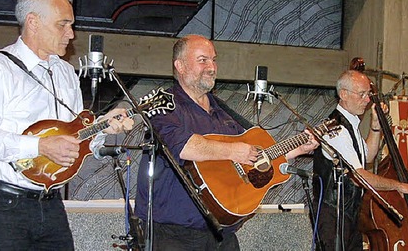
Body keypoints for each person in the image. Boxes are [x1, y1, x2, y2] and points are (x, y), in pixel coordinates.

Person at [0, 0, 133, 250]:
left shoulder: (66, 72)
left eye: (71, 25)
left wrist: (103, 130)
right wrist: (40, 146)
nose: (71, 34)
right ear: (33, 22)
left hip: (52, 204)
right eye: (63, 24)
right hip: (3, 207)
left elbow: (75, 139)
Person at [134, 34, 319, 250]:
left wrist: (295, 150)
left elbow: (253, 159)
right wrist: (233, 151)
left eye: (214, 60)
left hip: (221, 233)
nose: (212, 67)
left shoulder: (223, 113)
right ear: (180, 66)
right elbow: (184, 146)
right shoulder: (163, 106)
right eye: (203, 60)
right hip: (172, 235)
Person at [312, 70, 408, 251]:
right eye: (362, 94)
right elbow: (359, 176)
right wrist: (398, 185)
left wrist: (375, 128)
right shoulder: (336, 129)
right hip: (334, 214)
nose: (367, 100)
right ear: (343, 94)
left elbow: (367, 156)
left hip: (350, 213)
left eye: (368, 94)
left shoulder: (351, 125)